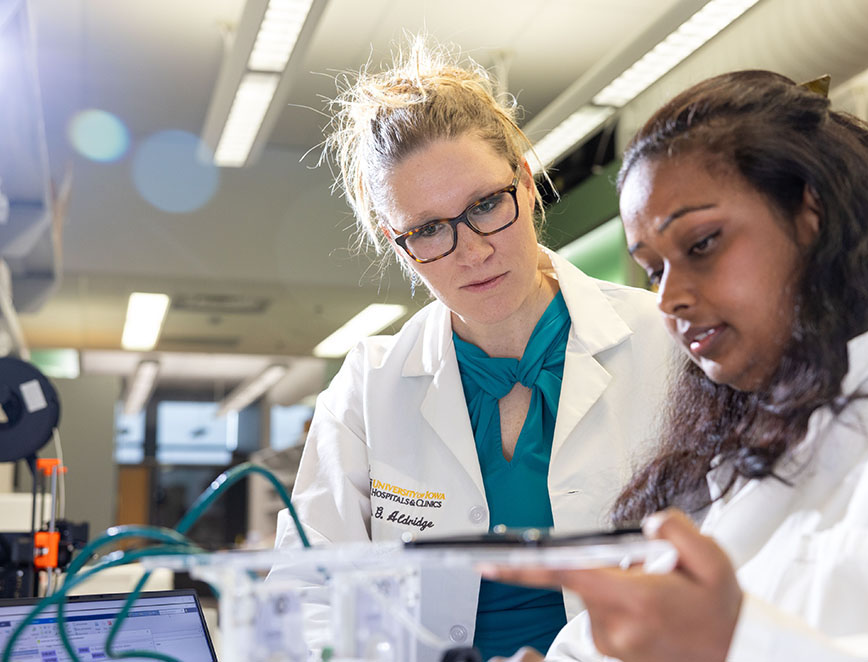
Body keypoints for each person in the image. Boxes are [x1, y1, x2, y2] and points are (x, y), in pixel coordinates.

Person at [486, 70, 868, 662]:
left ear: (813, 211)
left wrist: (734, 642)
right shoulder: (737, 462)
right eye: (654, 270)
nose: (669, 298)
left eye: (701, 244)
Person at [269, 38, 674, 661]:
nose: (471, 250)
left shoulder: (663, 343)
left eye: (486, 205)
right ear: (396, 242)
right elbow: (306, 595)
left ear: (526, 181)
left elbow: (726, 561)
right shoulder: (368, 388)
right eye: (428, 229)